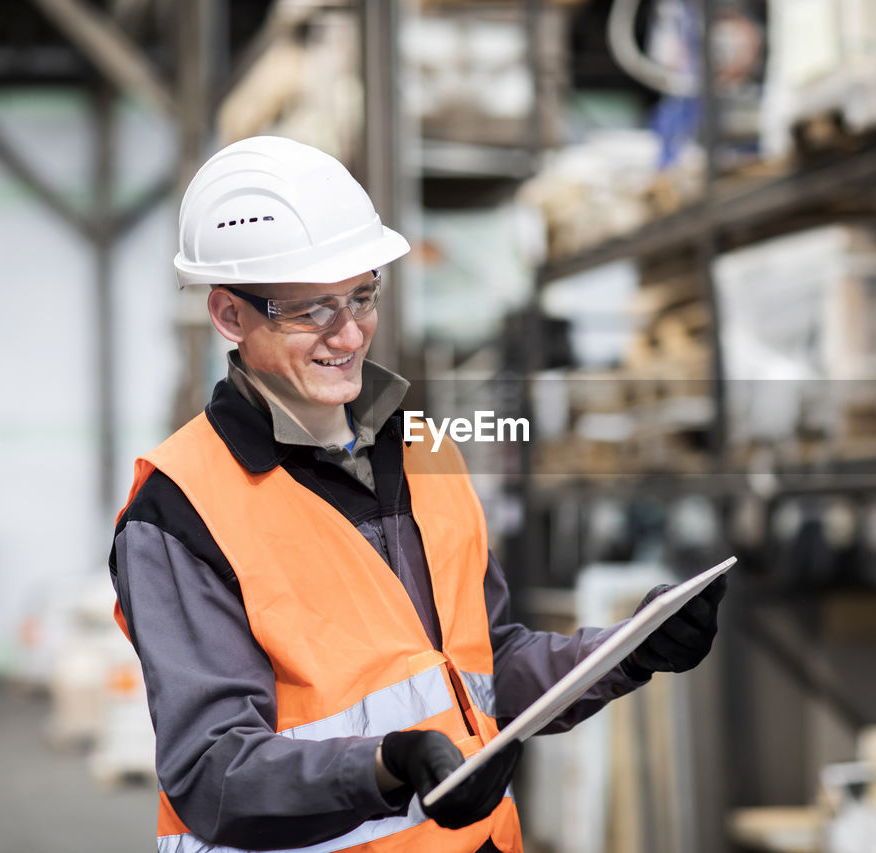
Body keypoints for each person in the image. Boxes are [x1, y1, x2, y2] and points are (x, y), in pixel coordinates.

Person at [109, 135, 727, 853]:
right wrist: (384, 764)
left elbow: (484, 668)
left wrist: (626, 650)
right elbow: (214, 774)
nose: (349, 333)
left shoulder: (425, 449)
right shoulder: (181, 511)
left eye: (364, 296)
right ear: (229, 315)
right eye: (312, 310)